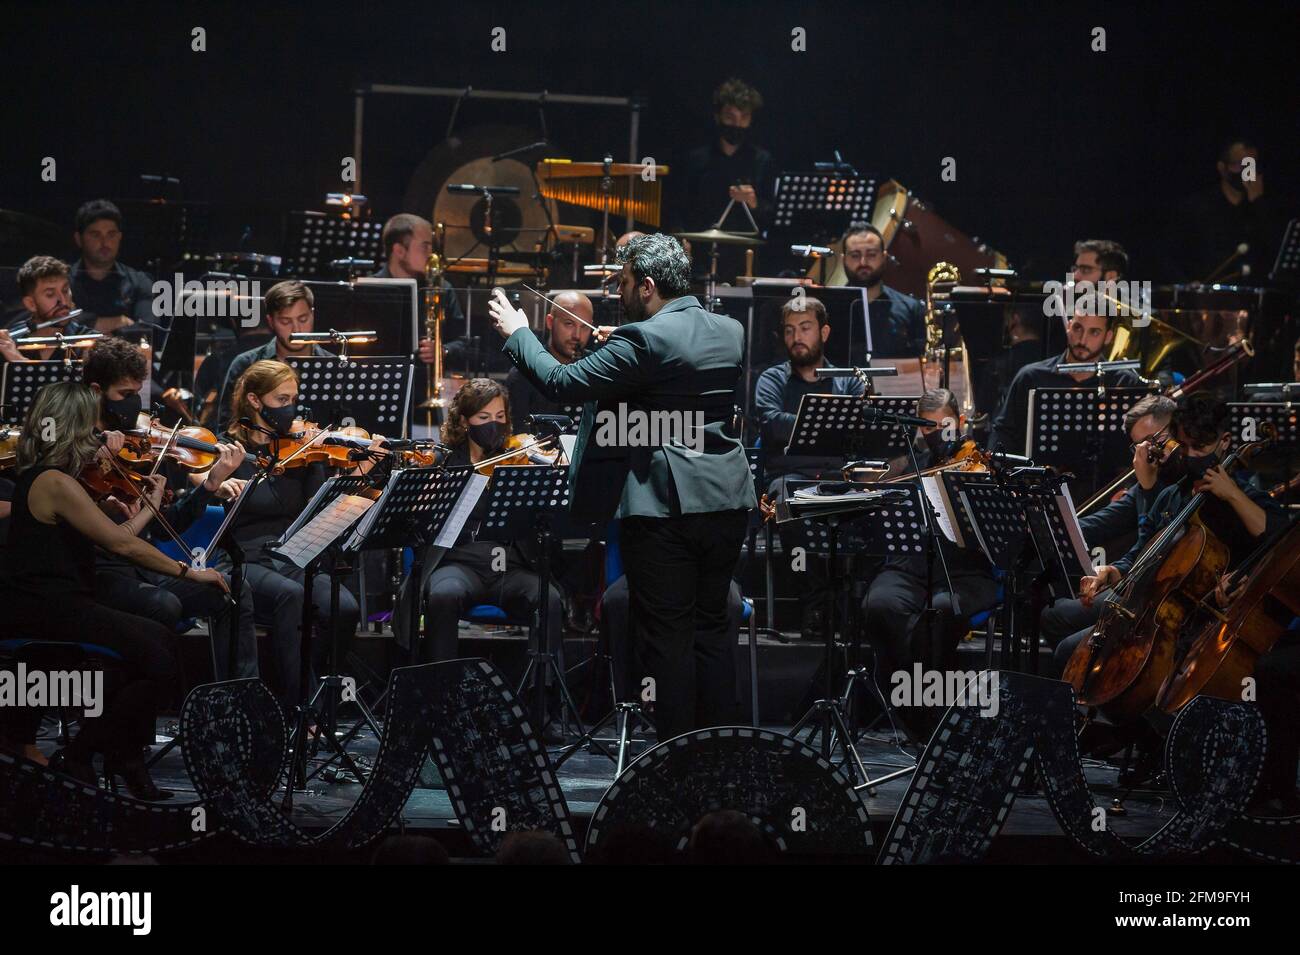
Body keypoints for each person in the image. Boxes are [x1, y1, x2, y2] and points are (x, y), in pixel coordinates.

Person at [489, 232, 756, 740]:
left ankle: (676, 761)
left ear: (649, 285)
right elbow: (676, 388)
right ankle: (718, 757)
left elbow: (563, 383)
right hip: (726, 498)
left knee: (669, 641)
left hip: (665, 506)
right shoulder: (729, 330)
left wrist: (519, 333)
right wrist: (628, 348)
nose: (621, 292)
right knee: (711, 635)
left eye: (627, 282)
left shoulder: (644, 340)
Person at [0, 381, 228, 798]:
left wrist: (147, 509)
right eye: (91, 426)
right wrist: (190, 572)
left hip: (61, 600)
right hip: (42, 606)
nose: (101, 435)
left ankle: (117, 757)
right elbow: (121, 545)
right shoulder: (54, 482)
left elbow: (117, 533)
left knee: (155, 642)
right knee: (158, 657)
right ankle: (84, 754)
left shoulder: (59, 479)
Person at [1054, 392, 1289, 674]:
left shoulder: (1245, 497)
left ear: (1224, 442)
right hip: (1154, 615)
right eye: (1183, 446)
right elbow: (1144, 552)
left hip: (1202, 620)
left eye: (1200, 448)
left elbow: (1281, 537)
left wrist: (1233, 496)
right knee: (1067, 649)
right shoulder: (1172, 494)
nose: (1189, 456)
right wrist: (1112, 572)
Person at [80, 337, 257, 680]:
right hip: (96, 572)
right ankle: (142, 706)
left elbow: (164, 527)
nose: (134, 406)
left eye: (137, 394)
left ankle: (238, 702)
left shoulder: (138, 448)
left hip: (140, 568)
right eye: (124, 396)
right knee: (163, 605)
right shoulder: (76, 447)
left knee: (231, 589)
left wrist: (209, 484)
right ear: (95, 391)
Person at [199, 359, 363, 710]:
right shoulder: (232, 451)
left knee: (346, 608)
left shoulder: (301, 448)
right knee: (291, 597)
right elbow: (199, 482)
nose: (290, 408)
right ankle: (298, 708)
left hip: (292, 554)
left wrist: (323, 460)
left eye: (294, 399)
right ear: (256, 401)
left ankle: (314, 686)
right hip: (245, 558)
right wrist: (218, 480)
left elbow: (318, 507)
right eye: (281, 399)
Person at [397, 378, 565, 682]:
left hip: (511, 565)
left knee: (549, 599)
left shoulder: (518, 459)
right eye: (484, 418)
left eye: (500, 418)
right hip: (459, 563)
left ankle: (542, 702)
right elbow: (417, 524)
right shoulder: (444, 462)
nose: (494, 426)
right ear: (464, 421)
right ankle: (442, 691)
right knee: (444, 595)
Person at [860, 388, 999, 741]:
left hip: (964, 572)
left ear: (961, 421)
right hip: (912, 566)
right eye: (928, 427)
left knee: (936, 617)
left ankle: (929, 720)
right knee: (879, 606)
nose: (937, 433)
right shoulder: (914, 464)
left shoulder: (978, 463)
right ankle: (909, 710)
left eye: (946, 425)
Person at [754, 295, 865, 638]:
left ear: (824, 332)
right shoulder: (771, 379)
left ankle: (851, 603)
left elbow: (859, 431)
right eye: (789, 330)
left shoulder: (848, 379)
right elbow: (773, 424)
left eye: (805, 328)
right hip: (789, 478)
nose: (796, 337)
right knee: (793, 501)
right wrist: (830, 419)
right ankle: (816, 605)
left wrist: (805, 423)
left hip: (840, 476)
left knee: (874, 502)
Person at [1039, 394, 1176, 667]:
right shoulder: (1145, 484)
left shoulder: (1173, 483)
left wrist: (1149, 488)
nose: (1145, 452)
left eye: (1152, 440)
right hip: (1132, 582)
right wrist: (1049, 525)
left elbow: (1156, 543)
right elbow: (1101, 523)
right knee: (1052, 615)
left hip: (1158, 592)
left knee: (1067, 648)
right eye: (1138, 445)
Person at [990, 304, 1144, 456]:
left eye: (1094, 332)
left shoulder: (1125, 382)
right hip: (1042, 478)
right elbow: (1004, 432)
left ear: (1108, 337)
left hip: (1104, 479)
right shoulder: (1031, 377)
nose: (1082, 340)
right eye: (1077, 328)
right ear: (1069, 327)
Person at [673, 78, 774, 281]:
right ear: (717, 116)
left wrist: (754, 202)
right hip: (702, 258)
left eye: (743, 117)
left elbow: (773, 215)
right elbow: (679, 209)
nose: (737, 124)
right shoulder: (697, 160)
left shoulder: (762, 160)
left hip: (746, 260)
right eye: (730, 117)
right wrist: (682, 240)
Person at [214, 280, 331, 431]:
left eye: (303, 319)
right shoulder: (246, 363)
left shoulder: (332, 364)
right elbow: (228, 426)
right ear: (271, 321)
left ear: (313, 314)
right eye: (285, 321)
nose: (296, 329)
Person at [1164, 137, 1285, 283]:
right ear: (1222, 168)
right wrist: (1187, 283)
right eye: (1242, 165)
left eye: (1252, 165)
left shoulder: (1262, 208)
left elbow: (1278, 253)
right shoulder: (1198, 207)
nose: (1248, 171)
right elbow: (1169, 255)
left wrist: (1258, 204)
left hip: (1250, 297)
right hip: (1208, 297)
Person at [374, 213, 467, 370]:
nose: (431, 254)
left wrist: (442, 350)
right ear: (399, 251)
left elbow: (463, 342)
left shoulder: (442, 288)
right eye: (425, 246)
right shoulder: (370, 289)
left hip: (422, 382)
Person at [505, 290, 592, 432]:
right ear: (550, 322)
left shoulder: (595, 366)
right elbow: (518, 434)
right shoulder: (523, 372)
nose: (577, 335)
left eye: (584, 327)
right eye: (569, 324)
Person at [837, 225, 926, 360]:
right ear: (843, 259)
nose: (863, 262)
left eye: (871, 255)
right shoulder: (831, 309)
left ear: (884, 257)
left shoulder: (910, 308)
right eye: (855, 255)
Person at [68, 199, 156, 334]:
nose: (105, 242)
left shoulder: (139, 281)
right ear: (79, 239)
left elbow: (149, 328)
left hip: (124, 354)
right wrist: (108, 323)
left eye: (111, 234)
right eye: (95, 234)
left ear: (120, 237)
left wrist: (89, 329)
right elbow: (50, 322)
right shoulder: (63, 282)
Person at [0, 256, 92, 363]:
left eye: (65, 290)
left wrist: (19, 360)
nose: (63, 301)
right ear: (31, 304)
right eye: (50, 294)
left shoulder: (88, 341)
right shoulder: (9, 344)